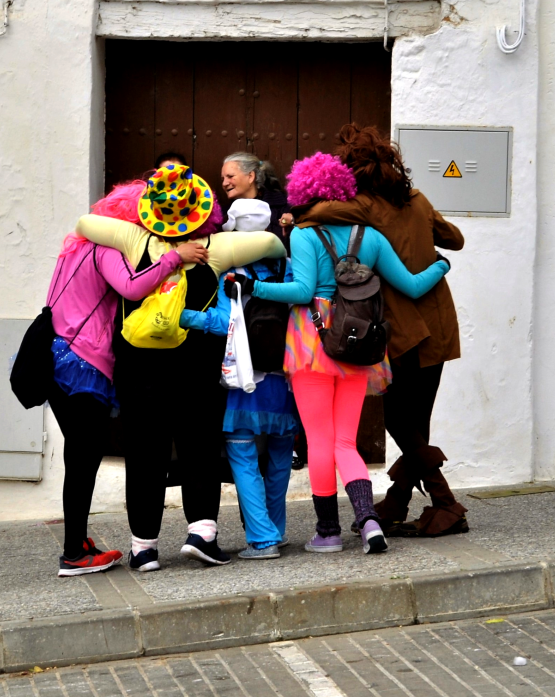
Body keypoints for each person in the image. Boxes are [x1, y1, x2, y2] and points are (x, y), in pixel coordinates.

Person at [230, 152, 451, 556]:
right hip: (360, 343)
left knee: (319, 440)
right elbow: (414, 286)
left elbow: (301, 291)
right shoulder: (371, 237)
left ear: (305, 190)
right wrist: (440, 267)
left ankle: (329, 532)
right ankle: (369, 523)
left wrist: (252, 289)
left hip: (312, 343)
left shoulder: (304, 234)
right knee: (346, 441)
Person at [74, 164, 286, 572]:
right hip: (196, 369)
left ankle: (144, 548)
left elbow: (85, 224)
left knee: (144, 454)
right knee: (200, 448)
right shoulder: (216, 247)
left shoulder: (135, 239)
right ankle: (202, 534)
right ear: (199, 207)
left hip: (140, 370)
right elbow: (273, 245)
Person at [292, 124, 467, 537]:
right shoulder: (417, 199)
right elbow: (454, 240)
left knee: (398, 422)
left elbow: (314, 216)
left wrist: (300, 212)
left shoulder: (361, 206)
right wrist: (435, 251)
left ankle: (445, 504)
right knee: (416, 422)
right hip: (440, 321)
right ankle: (397, 502)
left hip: (402, 328)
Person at [46, 181, 207, 577]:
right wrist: (174, 258)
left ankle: (79, 541)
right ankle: (73, 553)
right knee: (85, 455)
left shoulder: (73, 249)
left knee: (79, 453)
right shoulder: (106, 251)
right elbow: (132, 286)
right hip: (83, 361)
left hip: (55, 354)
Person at [180, 199, 297, 560]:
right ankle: (275, 530)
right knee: (279, 456)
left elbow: (222, 323)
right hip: (284, 374)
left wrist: (182, 316)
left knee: (243, 456)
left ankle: (262, 540)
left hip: (245, 377)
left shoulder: (229, 271)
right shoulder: (287, 266)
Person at [221, 153, 293, 247]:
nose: (224, 183)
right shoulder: (224, 215)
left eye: (230, 176)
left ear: (250, 176)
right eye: (223, 179)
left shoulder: (284, 208)